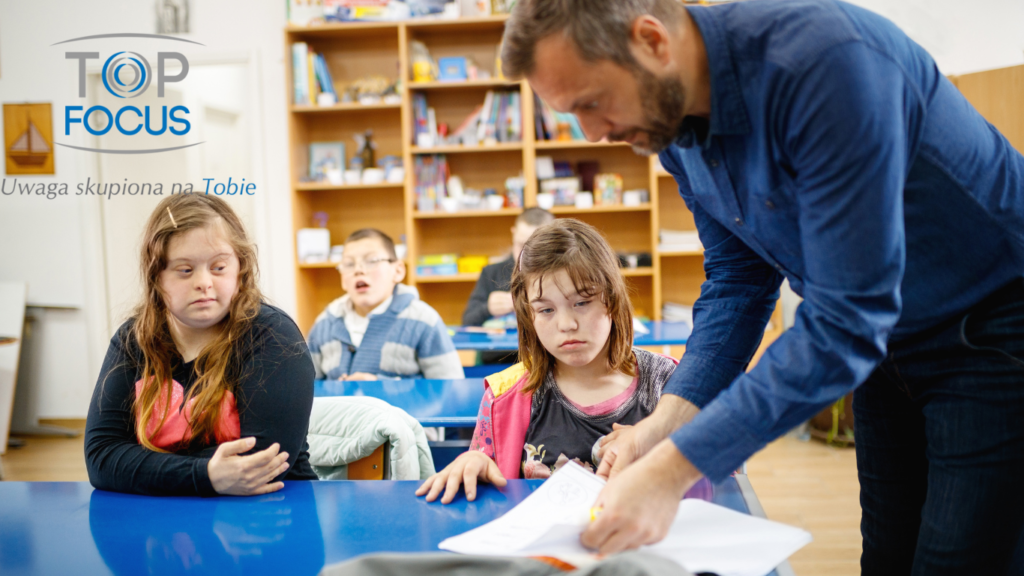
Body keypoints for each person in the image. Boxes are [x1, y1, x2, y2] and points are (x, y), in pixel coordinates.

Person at [501, 0, 1024, 573]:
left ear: (652, 41)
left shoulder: (825, 64)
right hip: (890, 345)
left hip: (994, 326)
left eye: (592, 103)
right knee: (888, 554)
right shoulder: (669, 121)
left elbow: (845, 321)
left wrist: (673, 468)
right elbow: (737, 279)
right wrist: (660, 427)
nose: (594, 134)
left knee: (961, 560)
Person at [416, 219, 683, 504]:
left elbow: (716, 480)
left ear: (613, 298)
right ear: (528, 316)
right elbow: (484, 468)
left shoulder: (669, 382)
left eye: (582, 302)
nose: (566, 324)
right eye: (546, 310)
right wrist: (474, 464)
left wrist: (660, 446)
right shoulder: (504, 396)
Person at [85, 195, 317, 496]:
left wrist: (139, 466)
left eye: (219, 267)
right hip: (160, 521)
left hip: (272, 515)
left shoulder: (273, 336)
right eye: (184, 270)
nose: (204, 282)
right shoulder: (133, 339)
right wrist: (205, 473)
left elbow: (258, 465)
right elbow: (101, 457)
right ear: (157, 276)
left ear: (240, 270)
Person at [307, 228, 464, 381]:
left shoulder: (423, 320)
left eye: (371, 261)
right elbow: (308, 389)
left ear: (398, 271)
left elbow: (450, 388)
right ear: (342, 278)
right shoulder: (324, 324)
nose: (358, 270)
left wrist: (380, 387)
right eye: (349, 264)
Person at [462, 207, 555, 327]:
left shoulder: (560, 274)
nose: (525, 255)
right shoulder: (491, 273)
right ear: (513, 232)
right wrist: (487, 308)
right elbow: (467, 321)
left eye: (537, 248)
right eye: (521, 244)